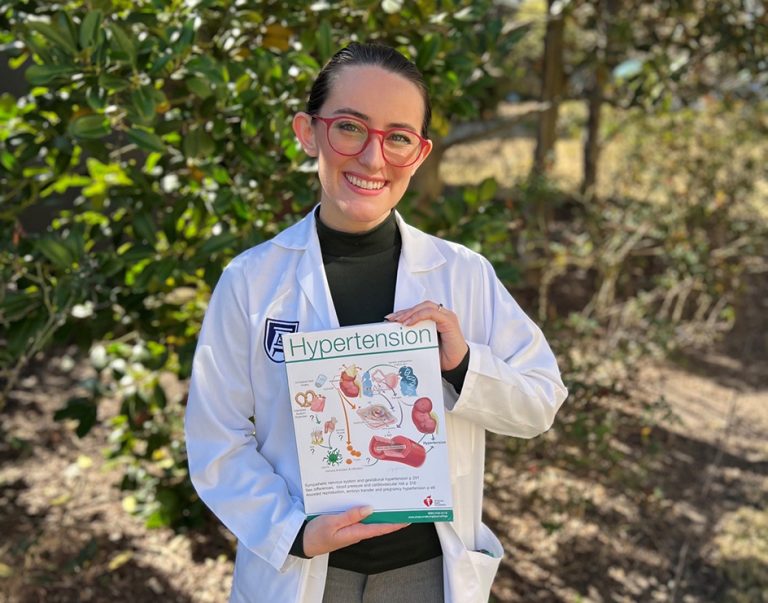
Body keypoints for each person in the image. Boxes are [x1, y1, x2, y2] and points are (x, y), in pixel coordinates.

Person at [185, 43, 568, 603]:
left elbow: (540, 401)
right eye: (349, 128)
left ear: (419, 152)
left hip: (425, 577)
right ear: (308, 132)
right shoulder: (251, 281)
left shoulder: (463, 274)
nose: (372, 158)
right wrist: (293, 533)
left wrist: (463, 365)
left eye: (398, 137)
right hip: (304, 573)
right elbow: (216, 438)